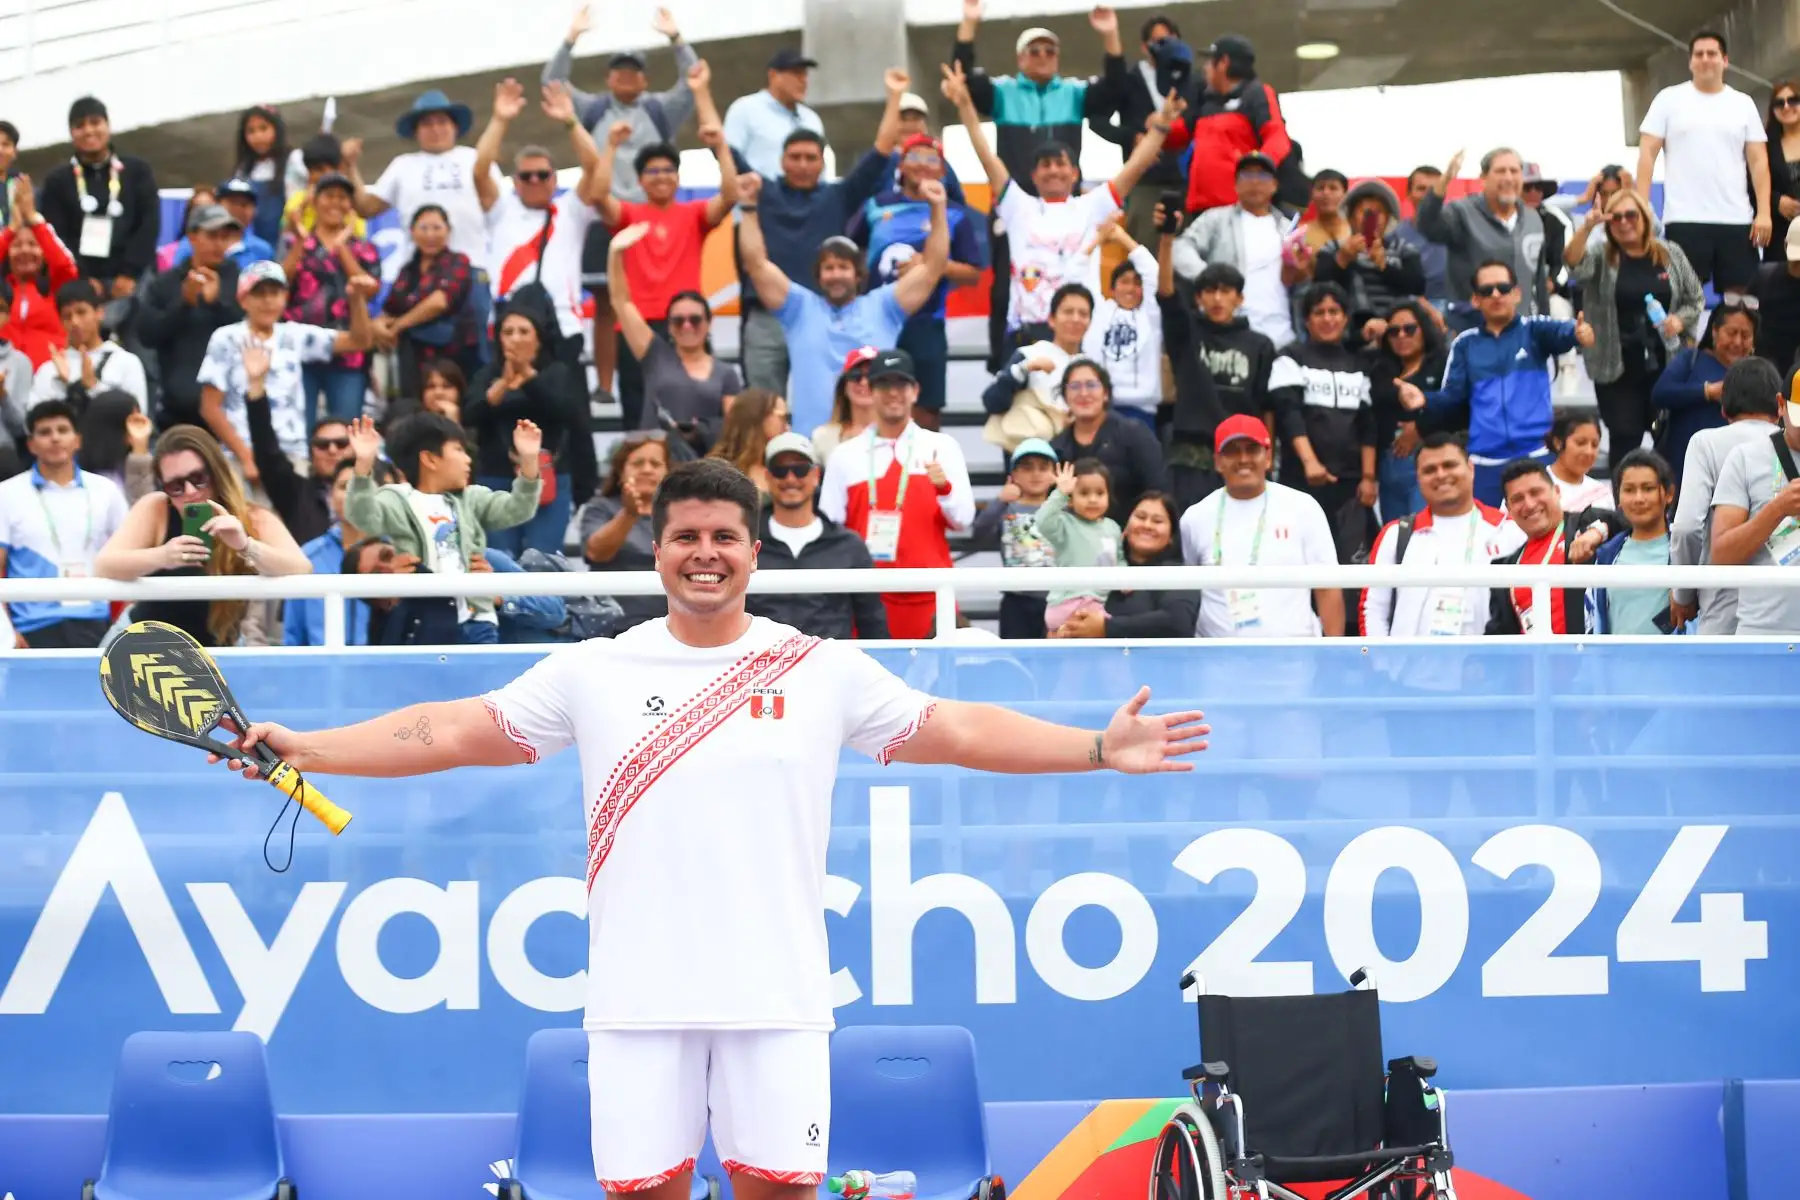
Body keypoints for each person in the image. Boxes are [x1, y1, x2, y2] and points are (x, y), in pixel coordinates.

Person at [206, 453, 1208, 1195]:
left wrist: (1090, 746)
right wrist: (308, 747)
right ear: (658, 549)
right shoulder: (596, 669)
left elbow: (953, 727)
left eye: (724, 537)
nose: (705, 553)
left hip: (776, 994)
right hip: (640, 999)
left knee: (780, 1191)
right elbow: (448, 731)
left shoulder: (815, 667)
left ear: (754, 552)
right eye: (686, 535)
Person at [942, 58, 1178, 357]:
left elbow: (1136, 165)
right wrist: (965, 106)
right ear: (1033, 176)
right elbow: (986, 156)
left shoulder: (1093, 206)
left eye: (1060, 164)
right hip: (1028, 334)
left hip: (1084, 334)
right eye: (1045, 165)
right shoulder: (1017, 205)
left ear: (1075, 173)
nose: (1053, 171)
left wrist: (1160, 127)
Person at [948, 1, 1127, 364]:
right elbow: (962, 78)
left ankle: (1084, 360)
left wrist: (1110, 35)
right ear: (1020, 59)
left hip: (1067, 209)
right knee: (1003, 288)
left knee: (1074, 284)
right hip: (1015, 205)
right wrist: (968, 24)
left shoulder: (1074, 93)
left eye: (1050, 51)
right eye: (1035, 51)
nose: (1043, 56)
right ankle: (1002, 364)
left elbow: (1115, 89)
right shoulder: (1003, 92)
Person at [740, 71, 912, 399]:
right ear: (782, 161)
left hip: (820, 316)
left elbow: (881, 150)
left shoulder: (840, 195)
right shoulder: (762, 190)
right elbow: (723, 149)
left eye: (811, 158)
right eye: (795, 157)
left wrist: (894, 97)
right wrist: (703, 93)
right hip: (768, 313)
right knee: (762, 409)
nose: (803, 164)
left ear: (822, 162)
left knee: (830, 401)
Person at [736, 173, 948, 436]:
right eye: (828, 268)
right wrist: (747, 207)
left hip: (874, 446)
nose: (836, 275)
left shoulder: (884, 306)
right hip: (811, 447)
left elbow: (933, 267)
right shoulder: (799, 309)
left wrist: (938, 208)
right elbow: (756, 264)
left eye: (843, 267)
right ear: (818, 276)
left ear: (858, 275)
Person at [588, 61, 734, 427]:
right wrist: (609, 146)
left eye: (668, 169)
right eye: (652, 171)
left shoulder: (695, 213)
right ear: (640, 179)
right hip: (637, 325)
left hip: (686, 321)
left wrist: (721, 147)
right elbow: (597, 193)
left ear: (678, 175)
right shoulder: (629, 214)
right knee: (639, 413)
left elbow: (730, 194)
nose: (661, 176)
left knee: (703, 409)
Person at [94, 424, 312, 647]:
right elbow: (103, 565)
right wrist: (163, 556)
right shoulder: (157, 508)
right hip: (141, 650)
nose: (189, 492)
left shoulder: (252, 517)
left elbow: (301, 567)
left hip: (215, 655)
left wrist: (244, 545)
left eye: (198, 478)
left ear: (216, 472)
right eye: (176, 486)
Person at [1398, 259, 1595, 505]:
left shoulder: (1535, 330)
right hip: (1484, 465)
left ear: (1516, 293)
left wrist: (1578, 334)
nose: (1495, 295)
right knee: (1487, 542)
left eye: (1503, 288)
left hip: (1536, 456)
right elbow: (1452, 398)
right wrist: (1424, 399)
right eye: (1486, 290)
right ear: (1475, 300)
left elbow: (1566, 332)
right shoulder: (1465, 344)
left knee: (1541, 540)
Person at [343, 412, 544, 644]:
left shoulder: (472, 499)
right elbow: (362, 516)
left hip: (478, 620)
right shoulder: (396, 499)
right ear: (430, 459)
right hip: (425, 619)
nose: (468, 459)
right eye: (459, 450)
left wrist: (528, 461)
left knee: (483, 680)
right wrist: (363, 465)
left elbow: (519, 508)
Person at [819, 349, 973, 638]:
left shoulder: (942, 446)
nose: (893, 393)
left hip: (932, 594)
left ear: (915, 391)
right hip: (867, 598)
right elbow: (831, 530)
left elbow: (963, 519)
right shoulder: (845, 455)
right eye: (883, 385)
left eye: (901, 384)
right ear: (871, 392)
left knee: (935, 681)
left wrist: (944, 489)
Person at [857, 102, 988, 426]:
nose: (924, 165)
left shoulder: (955, 213)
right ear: (901, 164)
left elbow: (973, 273)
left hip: (927, 321)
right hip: (878, 321)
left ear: (943, 171)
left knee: (926, 410)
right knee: (869, 402)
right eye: (915, 157)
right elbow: (850, 253)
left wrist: (931, 265)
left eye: (933, 160)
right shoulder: (875, 205)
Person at [196, 260, 376, 480]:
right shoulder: (226, 338)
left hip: (291, 455)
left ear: (285, 298)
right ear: (243, 299)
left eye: (275, 292)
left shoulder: (293, 335)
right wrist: (246, 457)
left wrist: (356, 299)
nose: (269, 300)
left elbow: (359, 342)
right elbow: (209, 407)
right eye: (259, 293)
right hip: (239, 457)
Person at [1568, 188, 1704, 465]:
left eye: (1630, 214)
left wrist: (1679, 320)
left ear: (1644, 217)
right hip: (1616, 365)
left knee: (1670, 439)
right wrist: (1587, 226)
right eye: (1615, 217)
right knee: (1624, 439)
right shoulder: (1601, 256)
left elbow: (1696, 298)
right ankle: (1622, 505)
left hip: (1666, 361)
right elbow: (1573, 265)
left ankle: (1672, 505)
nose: (1624, 222)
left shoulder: (1670, 253)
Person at [1180, 413, 1343, 638]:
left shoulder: (1303, 507)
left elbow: (1328, 587)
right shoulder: (1195, 517)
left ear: (1268, 457)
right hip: (1217, 662)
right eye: (1233, 451)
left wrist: (1334, 654)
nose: (1243, 459)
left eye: (1252, 449)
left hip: (1293, 660)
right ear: (1218, 462)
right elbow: (1188, 592)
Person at [1636, 30, 1771, 296]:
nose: (1706, 59)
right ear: (1690, 62)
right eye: (1699, 54)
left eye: (1712, 54)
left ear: (1725, 60)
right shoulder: (1668, 99)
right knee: (1682, 299)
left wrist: (1764, 212)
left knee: (1742, 301)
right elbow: (1647, 154)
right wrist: (1642, 207)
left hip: (1736, 220)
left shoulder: (1742, 104)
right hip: (1684, 218)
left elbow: (1758, 161)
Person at [476, 79, 605, 345]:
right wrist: (500, 120)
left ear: (555, 180)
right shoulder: (501, 209)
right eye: (526, 175)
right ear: (515, 182)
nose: (535, 180)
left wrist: (570, 120)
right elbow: (480, 169)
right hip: (510, 329)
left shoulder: (571, 209)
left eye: (542, 175)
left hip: (563, 328)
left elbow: (594, 166)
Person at [1360, 433, 1523, 637]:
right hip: (1411, 667)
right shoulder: (1396, 534)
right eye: (1429, 470)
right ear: (1418, 479)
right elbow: (1373, 609)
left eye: (1449, 465)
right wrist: (1383, 664)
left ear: (1471, 469)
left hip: (1488, 665)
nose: (1440, 475)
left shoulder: (1508, 530)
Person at [0, 400, 129, 648]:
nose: (55, 438)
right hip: (31, 627)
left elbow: (132, 553)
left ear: (77, 440)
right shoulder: (7, 494)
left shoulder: (106, 491)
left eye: (62, 430)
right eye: (45, 432)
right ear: (31, 444)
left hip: (97, 623)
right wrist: (7, 633)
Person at [462, 304, 588, 556]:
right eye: (508, 332)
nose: (515, 338)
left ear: (538, 339)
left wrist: (530, 378)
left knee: (543, 558)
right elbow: (469, 414)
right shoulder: (486, 374)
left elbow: (568, 412)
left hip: (547, 477)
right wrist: (502, 386)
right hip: (496, 478)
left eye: (523, 331)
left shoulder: (557, 372)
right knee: (500, 556)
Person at [1669, 356, 1783, 632]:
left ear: (1723, 408)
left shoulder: (1706, 443)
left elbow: (1686, 528)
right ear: (1780, 406)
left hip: (1723, 601)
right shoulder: (1790, 445)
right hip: (1785, 603)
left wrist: (1683, 594)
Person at [1270, 283, 1380, 566]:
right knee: (1302, 563)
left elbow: (1368, 423)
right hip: (1301, 481)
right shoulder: (1290, 357)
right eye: (1319, 312)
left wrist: (1368, 478)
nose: (1328, 318)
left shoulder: (1358, 364)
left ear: (1345, 318)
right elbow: (1289, 414)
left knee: (1352, 566)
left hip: (1351, 487)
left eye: (1335, 311)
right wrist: (1310, 463)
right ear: (1306, 320)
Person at [1158, 250, 1274, 514]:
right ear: (1198, 298)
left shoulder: (1260, 345)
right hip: (1191, 456)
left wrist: (1268, 457)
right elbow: (1166, 295)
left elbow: (1265, 405)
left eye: (1226, 291)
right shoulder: (1186, 334)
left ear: (1240, 297)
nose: (1218, 299)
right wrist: (1166, 239)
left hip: (1241, 454)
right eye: (1209, 291)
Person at [608, 223, 740, 455]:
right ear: (669, 326)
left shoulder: (726, 373)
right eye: (678, 321)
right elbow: (621, 301)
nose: (687, 326)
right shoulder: (655, 354)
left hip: (703, 464)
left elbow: (734, 430)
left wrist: (701, 430)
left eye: (695, 319)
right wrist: (615, 253)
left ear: (709, 324)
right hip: (655, 461)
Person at [747, 431, 889, 639]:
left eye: (800, 469)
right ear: (768, 477)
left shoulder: (849, 545)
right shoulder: (746, 542)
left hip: (831, 666)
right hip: (760, 665)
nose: (790, 478)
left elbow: (873, 622)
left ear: (816, 476)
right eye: (780, 470)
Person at [350, 89, 501, 265]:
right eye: (427, 124)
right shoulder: (402, 165)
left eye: (442, 122)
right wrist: (350, 166)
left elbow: (496, 205)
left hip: (472, 268)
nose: (435, 129)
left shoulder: (475, 160)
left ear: (455, 127)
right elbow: (366, 208)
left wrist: (500, 120)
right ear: (416, 132)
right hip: (420, 273)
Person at [1169, 153, 1301, 349]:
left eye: (1263, 176)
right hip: (1232, 334)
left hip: (1282, 337)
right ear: (1236, 185)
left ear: (1274, 185)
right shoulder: (1216, 219)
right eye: (1247, 175)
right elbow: (1180, 249)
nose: (1255, 182)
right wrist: (1208, 277)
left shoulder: (1288, 228)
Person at [279, 172, 380, 425]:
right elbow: (279, 284)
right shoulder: (296, 242)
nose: (335, 203)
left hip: (349, 352)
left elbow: (369, 290)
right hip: (300, 350)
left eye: (343, 197)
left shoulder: (363, 248)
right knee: (300, 427)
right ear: (315, 201)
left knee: (346, 429)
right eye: (329, 196)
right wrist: (301, 239)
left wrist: (342, 247)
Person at [1157, 32, 1291, 219]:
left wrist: (1255, 175)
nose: (1205, 68)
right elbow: (1179, 135)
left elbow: (1277, 138)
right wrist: (1159, 126)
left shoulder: (1257, 93)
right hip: (1199, 210)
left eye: (1210, 62)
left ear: (1223, 62)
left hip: (1238, 209)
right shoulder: (1203, 98)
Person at [36, 97, 160, 298]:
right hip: (80, 280)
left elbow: (148, 224)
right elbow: (56, 235)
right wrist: (82, 278)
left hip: (134, 278)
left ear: (108, 126)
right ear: (71, 133)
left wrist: (129, 273)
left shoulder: (137, 171)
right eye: (80, 126)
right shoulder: (57, 181)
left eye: (95, 123)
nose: (89, 131)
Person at [1483, 458, 1623, 636]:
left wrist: (1599, 531)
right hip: (1535, 662)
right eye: (1518, 499)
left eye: (1536, 492)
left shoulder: (1586, 524)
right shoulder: (1507, 568)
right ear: (1508, 509)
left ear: (1557, 492)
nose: (1529, 504)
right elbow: (1498, 636)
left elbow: (1629, 521)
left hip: (1590, 659)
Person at [137, 205, 245, 431]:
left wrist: (218, 303)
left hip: (230, 409)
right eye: (212, 236)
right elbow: (146, 335)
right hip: (178, 410)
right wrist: (184, 303)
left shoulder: (240, 282)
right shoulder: (165, 283)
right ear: (192, 236)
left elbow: (250, 332)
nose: (219, 244)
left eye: (225, 237)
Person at [1415, 148, 1549, 329]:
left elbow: (1539, 281)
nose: (1508, 178)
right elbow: (1427, 225)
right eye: (1501, 171)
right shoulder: (1461, 213)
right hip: (1473, 331)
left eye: (1514, 171)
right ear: (1483, 178)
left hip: (1523, 332)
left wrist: (1546, 331)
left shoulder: (1533, 219)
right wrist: (1444, 181)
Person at [1706, 383, 1800, 634]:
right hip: (1765, 630)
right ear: (1781, 405)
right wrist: (1778, 508)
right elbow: (1722, 556)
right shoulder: (1746, 458)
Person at [1049, 491, 1199, 639]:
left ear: (1171, 536)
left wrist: (1106, 628)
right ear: (1126, 527)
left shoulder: (1177, 573)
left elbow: (1178, 622)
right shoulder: (1100, 565)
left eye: (1157, 521)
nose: (1147, 525)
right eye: (1140, 517)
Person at [283, 457, 398, 647]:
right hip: (321, 671)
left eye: (360, 488)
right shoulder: (307, 556)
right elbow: (294, 635)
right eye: (344, 487)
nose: (352, 495)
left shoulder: (397, 556)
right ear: (330, 496)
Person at [1653, 297, 1759, 486]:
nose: (1737, 342)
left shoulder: (1759, 372)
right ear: (1714, 332)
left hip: (1736, 472)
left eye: (1745, 335)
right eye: (1731, 333)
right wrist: (1707, 392)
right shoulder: (1690, 360)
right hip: (1683, 465)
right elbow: (1660, 393)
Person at [1049, 358, 1166, 525]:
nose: (1083, 393)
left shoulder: (1133, 433)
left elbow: (1158, 490)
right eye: (1074, 386)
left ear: (1105, 394)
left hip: (1129, 536)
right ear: (1065, 396)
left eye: (1091, 385)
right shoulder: (1057, 447)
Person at [1311, 178, 1426, 346]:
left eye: (1379, 212)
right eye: (1364, 211)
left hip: (1396, 335)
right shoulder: (1334, 248)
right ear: (1350, 216)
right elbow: (1319, 286)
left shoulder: (1403, 249)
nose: (1372, 217)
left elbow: (1417, 286)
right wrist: (1343, 259)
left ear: (1388, 218)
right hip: (1348, 337)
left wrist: (1384, 264)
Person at [375, 205, 480, 384]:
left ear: (448, 231)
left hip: (450, 356)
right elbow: (390, 308)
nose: (430, 234)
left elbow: (439, 302)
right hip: (411, 357)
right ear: (412, 232)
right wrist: (379, 326)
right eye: (423, 228)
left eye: (437, 228)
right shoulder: (407, 270)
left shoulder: (457, 261)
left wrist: (398, 326)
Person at [581, 431, 672, 634]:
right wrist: (629, 514)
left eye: (655, 464)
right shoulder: (600, 508)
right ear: (621, 472)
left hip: (674, 624)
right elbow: (596, 552)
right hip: (615, 624)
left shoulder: (683, 512)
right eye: (638, 463)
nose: (647, 470)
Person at [1369, 298, 1450, 523]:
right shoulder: (1381, 367)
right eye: (1393, 331)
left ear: (1424, 330)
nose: (1402, 336)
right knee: (1396, 538)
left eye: (1410, 329)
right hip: (1387, 465)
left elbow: (1457, 407)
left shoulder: (1443, 364)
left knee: (1423, 536)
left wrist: (1420, 427)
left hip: (1429, 462)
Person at [971, 435, 1059, 639]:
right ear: (1014, 474)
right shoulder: (1005, 508)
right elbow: (980, 531)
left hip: (1056, 599)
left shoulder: (1063, 510)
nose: (1035, 474)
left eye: (1043, 467)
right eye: (1027, 468)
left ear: (1055, 474)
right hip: (1016, 601)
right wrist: (1000, 500)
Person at [1585, 448, 1676, 634]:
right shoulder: (1607, 556)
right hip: (1616, 662)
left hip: (1677, 661)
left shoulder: (1686, 548)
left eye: (1648, 488)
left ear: (1669, 494)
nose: (1638, 498)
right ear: (1618, 497)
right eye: (1629, 490)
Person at [1081, 221, 1162, 426]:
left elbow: (1153, 273)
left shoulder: (1152, 316)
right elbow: (1079, 273)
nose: (1131, 288)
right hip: (1099, 409)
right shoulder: (1098, 312)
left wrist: (1121, 238)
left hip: (1141, 411)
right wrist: (1098, 239)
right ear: (1113, 287)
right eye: (1124, 281)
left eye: (1137, 283)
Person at [31, 279, 148, 411]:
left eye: (81, 312)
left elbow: (137, 421)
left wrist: (93, 387)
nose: (74, 322)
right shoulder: (50, 369)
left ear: (99, 313)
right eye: (67, 316)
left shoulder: (125, 362)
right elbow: (32, 422)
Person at [1035, 458, 1123, 630]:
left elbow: (1118, 559)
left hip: (1098, 603)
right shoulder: (1064, 524)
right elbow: (1042, 521)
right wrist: (1060, 493)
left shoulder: (1113, 527)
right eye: (1084, 493)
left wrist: (1126, 578)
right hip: (1066, 603)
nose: (1092, 499)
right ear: (1070, 499)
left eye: (1100, 493)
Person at [1, 179, 80, 370]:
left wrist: (35, 220)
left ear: (44, 253)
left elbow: (65, 265)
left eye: (33, 244)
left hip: (50, 379)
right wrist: (11, 230)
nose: (25, 251)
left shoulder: (58, 288)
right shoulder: (2, 293)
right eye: (17, 245)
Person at [723, 48, 828, 180]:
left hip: (806, 200)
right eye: (796, 73)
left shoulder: (811, 119)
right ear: (773, 75)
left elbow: (821, 172)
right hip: (758, 198)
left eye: (805, 74)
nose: (804, 80)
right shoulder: (745, 109)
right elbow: (727, 161)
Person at [228, 104, 290, 248]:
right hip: (251, 242)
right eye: (251, 131)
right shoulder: (243, 169)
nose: (258, 136)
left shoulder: (291, 160)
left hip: (282, 239)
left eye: (263, 128)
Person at [705, 388, 789, 494]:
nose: (787, 425)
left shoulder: (787, 470)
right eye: (783, 417)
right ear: (759, 416)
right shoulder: (716, 471)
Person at [811, 348, 878, 461]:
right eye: (855, 375)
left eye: (873, 376)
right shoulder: (822, 437)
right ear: (844, 386)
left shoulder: (900, 434)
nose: (864, 382)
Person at [1543, 411, 1614, 513]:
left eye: (1595, 445)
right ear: (1558, 443)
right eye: (1580, 443)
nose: (1589, 452)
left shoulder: (1602, 493)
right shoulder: (1536, 486)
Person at [1764, 81, 1800, 263]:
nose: (1786, 107)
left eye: (1793, 100)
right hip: (1782, 234)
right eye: (1779, 103)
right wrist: (1777, 201)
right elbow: (1751, 185)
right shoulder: (1765, 146)